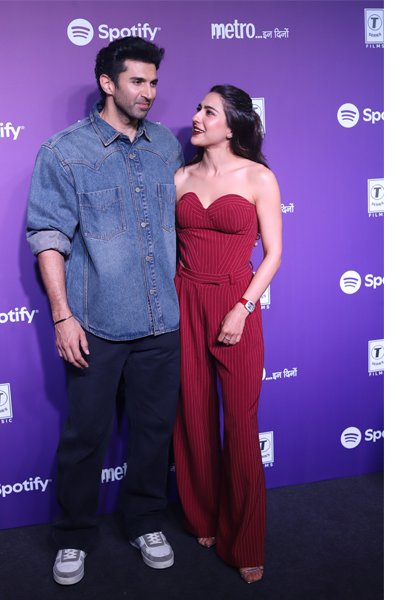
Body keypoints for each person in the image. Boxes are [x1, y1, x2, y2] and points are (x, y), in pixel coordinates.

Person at [25, 37, 184, 586]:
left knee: (154, 431)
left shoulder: (166, 146)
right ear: (108, 83)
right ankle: (73, 535)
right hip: (96, 323)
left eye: (154, 82)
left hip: (162, 321)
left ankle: (146, 522)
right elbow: (48, 236)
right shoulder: (63, 152)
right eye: (137, 81)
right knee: (85, 437)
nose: (149, 92)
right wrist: (62, 316)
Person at [171, 85, 282, 584]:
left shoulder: (259, 177)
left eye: (209, 111)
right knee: (192, 417)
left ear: (232, 124)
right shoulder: (180, 177)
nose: (197, 117)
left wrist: (243, 307)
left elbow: (273, 254)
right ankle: (202, 517)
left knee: (240, 424)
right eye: (198, 109)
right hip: (185, 301)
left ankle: (245, 540)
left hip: (236, 304)